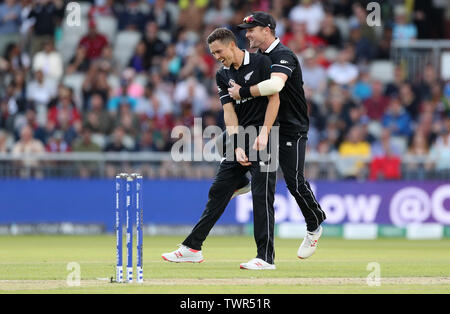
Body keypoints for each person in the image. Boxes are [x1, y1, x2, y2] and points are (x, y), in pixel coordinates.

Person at [162, 28, 280, 270]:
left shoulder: (261, 62)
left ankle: (265, 257)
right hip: (241, 138)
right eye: (213, 53)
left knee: (261, 196)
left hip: (267, 137)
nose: (216, 56)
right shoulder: (223, 75)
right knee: (218, 190)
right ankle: (192, 248)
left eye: (218, 51)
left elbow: (274, 99)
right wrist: (236, 146)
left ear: (232, 45)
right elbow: (229, 111)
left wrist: (266, 134)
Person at [228, 11, 326, 259]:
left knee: (294, 181)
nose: (247, 35)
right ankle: (243, 181)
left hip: (291, 127)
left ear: (267, 30)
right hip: (267, 126)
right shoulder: (259, 58)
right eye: (245, 31)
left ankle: (314, 224)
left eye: (251, 30)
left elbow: (275, 86)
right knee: (228, 141)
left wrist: (243, 91)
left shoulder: (283, 55)